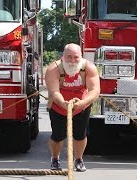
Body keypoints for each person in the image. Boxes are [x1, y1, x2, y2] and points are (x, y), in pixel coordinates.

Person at [45, 43, 100, 172]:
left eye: (76, 57)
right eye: (69, 57)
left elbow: (95, 90)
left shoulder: (89, 68)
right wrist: (63, 103)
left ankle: (79, 159)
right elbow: (54, 92)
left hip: (81, 106)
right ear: (63, 57)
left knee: (80, 135)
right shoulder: (54, 68)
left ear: (81, 57)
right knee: (58, 136)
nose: (72, 61)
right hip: (59, 106)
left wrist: (82, 103)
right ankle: (55, 158)